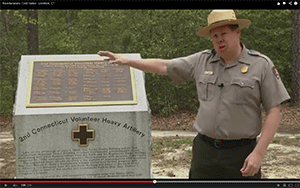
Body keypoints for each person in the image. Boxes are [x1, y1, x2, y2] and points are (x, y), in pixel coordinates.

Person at [98, 10, 290, 179]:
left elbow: (274, 110)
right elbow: (165, 66)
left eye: (223, 34)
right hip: (204, 152)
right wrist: (128, 61)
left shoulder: (261, 65)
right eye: (214, 36)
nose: (219, 40)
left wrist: (259, 153)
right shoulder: (202, 61)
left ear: (237, 32)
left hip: (241, 153)